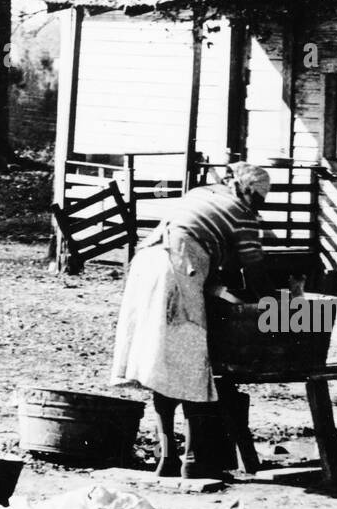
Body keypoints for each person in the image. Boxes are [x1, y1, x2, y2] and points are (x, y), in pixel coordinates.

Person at [109, 162, 273, 479]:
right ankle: (192, 460)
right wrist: (280, 305)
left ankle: (167, 457)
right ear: (250, 192)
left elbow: (211, 249)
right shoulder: (242, 212)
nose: (259, 208)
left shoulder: (202, 194)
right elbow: (255, 272)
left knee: (160, 363)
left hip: (146, 265)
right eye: (260, 201)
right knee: (190, 365)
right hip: (177, 270)